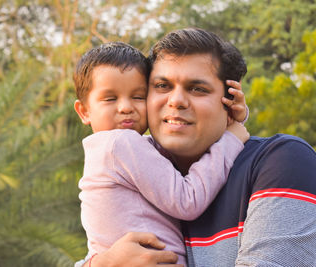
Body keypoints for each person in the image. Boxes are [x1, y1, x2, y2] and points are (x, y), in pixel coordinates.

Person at [78, 28, 316, 266]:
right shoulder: (135, 166)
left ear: (230, 102)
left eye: (197, 89)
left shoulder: (281, 160)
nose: (176, 101)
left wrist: (234, 130)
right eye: (162, 85)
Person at [73, 41, 249, 266]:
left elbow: (192, 140)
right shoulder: (121, 143)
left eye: (138, 96)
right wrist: (233, 137)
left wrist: (232, 118)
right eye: (110, 98)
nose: (126, 107)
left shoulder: (115, 149)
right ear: (84, 111)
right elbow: (188, 201)